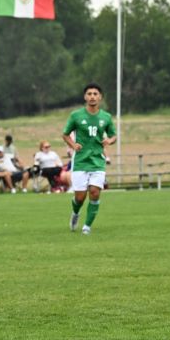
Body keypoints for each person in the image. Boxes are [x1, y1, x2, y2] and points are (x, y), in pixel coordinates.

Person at [62, 83, 117, 235]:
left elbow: (113, 135)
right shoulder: (76, 116)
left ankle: (87, 226)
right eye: (89, 94)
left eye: (95, 94)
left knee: (94, 193)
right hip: (80, 161)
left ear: (100, 97)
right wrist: (73, 145)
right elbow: (65, 134)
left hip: (97, 162)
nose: (92, 96)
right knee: (80, 197)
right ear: (85, 97)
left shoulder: (106, 117)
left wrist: (109, 141)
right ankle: (75, 213)